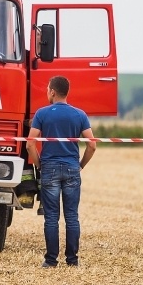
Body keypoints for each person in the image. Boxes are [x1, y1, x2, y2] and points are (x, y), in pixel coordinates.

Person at [26, 76, 96, 268]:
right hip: (72, 168)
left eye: (48, 89)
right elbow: (92, 145)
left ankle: (50, 261)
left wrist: (39, 164)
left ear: (53, 92)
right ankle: (72, 261)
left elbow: (30, 143)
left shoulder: (42, 113)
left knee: (51, 218)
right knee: (72, 216)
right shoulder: (80, 114)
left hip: (49, 169)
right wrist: (80, 165)